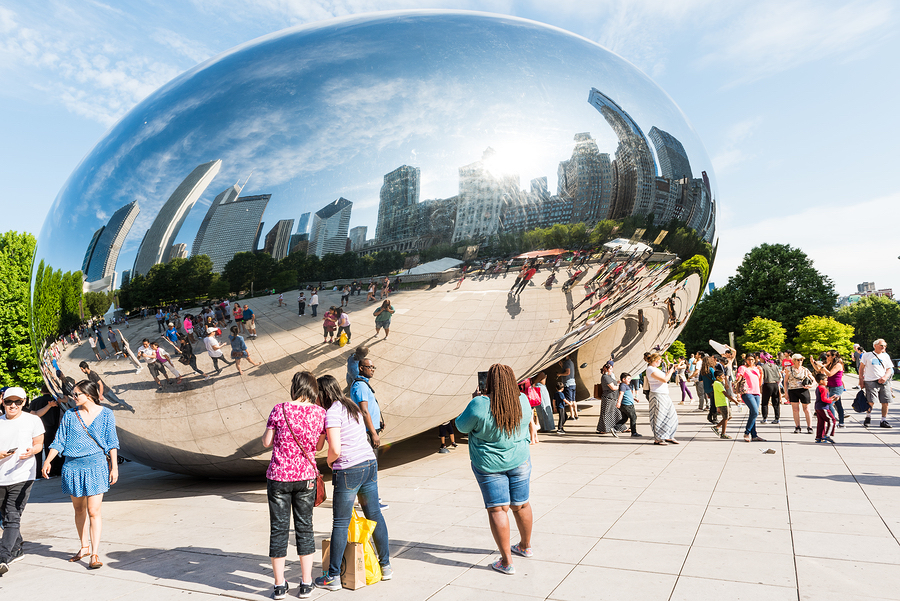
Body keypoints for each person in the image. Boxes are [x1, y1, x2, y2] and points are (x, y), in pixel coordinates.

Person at [455, 363, 533, 575]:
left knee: (498, 509)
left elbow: (461, 426)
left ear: (488, 381)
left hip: (489, 465)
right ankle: (525, 546)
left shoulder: (479, 404)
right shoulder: (523, 400)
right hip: (519, 460)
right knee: (522, 505)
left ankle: (506, 562)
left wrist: (475, 400)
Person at [315, 375, 392, 590]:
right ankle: (386, 567)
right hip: (369, 464)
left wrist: (330, 462)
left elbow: (334, 449)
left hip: (349, 469)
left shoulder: (331, 413)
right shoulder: (350, 406)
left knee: (340, 522)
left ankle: (332, 577)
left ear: (323, 394)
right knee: (374, 514)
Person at [42, 380, 119, 570]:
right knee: (78, 510)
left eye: (77, 394)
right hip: (72, 467)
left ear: (89, 394)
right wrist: (47, 460)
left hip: (96, 465)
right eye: (73, 394)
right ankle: (83, 546)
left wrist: (114, 467)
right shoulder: (70, 415)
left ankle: (94, 553)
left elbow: (112, 442)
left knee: (94, 511)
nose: (73, 397)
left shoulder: (106, 414)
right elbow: (59, 440)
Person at [262, 372, 326, 599]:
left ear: (295, 387)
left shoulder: (279, 409)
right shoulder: (320, 413)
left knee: (279, 530)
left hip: (279, 477)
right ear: (313, 389)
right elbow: (318, 447)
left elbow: (267, 442)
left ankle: (279, 585)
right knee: (305, 528)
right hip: (306, 478)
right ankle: (306, 583)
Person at [0, 387, 45, 575]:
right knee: (4, 516)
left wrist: (32, 452)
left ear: (24, 402)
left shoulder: (33, 420)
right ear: (3, 401)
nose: (13, 405)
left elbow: (38, 444)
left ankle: (3, 557)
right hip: (1, 476)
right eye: (9, 401)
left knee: (12, 515)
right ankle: (17, 548)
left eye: (17, 402)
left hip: (23, 475)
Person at [29, 385, 63, 477]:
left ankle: (37, 472)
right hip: (51, 428)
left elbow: (32, 415)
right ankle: (50, 471)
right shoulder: (55, 401)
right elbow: (58, 416)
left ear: (41, 392)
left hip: (37, 430)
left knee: (37, 451)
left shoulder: (35, 401)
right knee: (51, 450)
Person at [858, 339, 894, 428]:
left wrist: (885, 377)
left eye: (885, 346)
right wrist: (861, 380)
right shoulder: (867, 355)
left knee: (885, 401)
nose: (883, 347)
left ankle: (883, 420)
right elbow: (861, 368)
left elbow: (889, 369)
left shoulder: (886, 356)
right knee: (871, 401)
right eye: (881, 345)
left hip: (883, 381)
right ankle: (868, 417)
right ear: (875, 346)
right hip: (870, 380)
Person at [645, 353, 678, 445]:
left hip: (664, 394)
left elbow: (664, 377)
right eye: (659, 360)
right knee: (659, 416)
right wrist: (671, 371)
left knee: (671, 415)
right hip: (657, 394)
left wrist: (669, 371)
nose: (660, 362)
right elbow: (664, 380)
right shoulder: (650, 369)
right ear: (655, 361)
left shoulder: (655, 369)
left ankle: (669, 435)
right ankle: (659, 438)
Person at [735, 355, 765, 443]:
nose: (751, 361)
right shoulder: (743, 368)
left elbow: (760, 382)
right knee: (755, 412)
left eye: (752, 359)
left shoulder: (756, 369)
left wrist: (761, 372)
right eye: (749, 359)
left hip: (756, 393)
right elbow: (738, 377)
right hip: (747, 392)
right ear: (745, 360)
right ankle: (747, 432)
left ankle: (754, 435)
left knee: (753, 414)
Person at [812, 350, 845, 427]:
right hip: (830, 387)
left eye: (828, 355)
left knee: (829, 404)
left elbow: (830, 374)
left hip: (837, 387)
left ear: (833, 356)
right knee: (838, 404)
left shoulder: (838, 365)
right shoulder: (830, 364)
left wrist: (823, 366)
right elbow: (819, 370)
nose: (826, 357)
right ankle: (841, 423)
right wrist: (814, 363)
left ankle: (833, 422)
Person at [784, 354, 815, 434]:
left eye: (801, 360)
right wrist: (786, 393)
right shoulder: (789, 369)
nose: (800, 361)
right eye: (798, 360)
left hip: (803, 390)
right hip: (793, 390)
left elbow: (814, 380)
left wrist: (811, 385)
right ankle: (797, 426)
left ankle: (809, 426)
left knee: (807, 409)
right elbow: (785, 381)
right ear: (794, 361)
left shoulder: (805, 370)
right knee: (795, 409)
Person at [613, 372, 641, 437]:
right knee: (633, 417)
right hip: (627, 405)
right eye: (628, 379)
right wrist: (618, 402)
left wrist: (634, 398)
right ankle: (634, 432)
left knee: (625, 418)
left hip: (625, 405)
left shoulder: (625, 385)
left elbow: (627, 395)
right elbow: (621, 394)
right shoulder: (623, 385)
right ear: (623, 379)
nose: (629, 380)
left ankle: (615, 428)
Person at [710, 370, 735, 439]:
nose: (724, 377)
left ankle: (717, 427)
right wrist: (734, 401)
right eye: (722, 376)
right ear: (718, 377)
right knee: (725, 417)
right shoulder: (717, 383)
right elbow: (725, 393)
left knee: (729, 416)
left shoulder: (719, 383)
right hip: (722, 403)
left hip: (725, 402)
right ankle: (723, 433)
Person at [596, 362, 619, 436]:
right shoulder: (605, 377)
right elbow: (613, 387)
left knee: (614, 412)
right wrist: (619, 385)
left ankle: (619, 427)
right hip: (608, 397)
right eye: (610, 369)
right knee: (606, 413)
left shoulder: (609, 377)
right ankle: (604, 429)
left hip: (612, 397)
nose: (611, 370)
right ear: (606, 369)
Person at [813, 373, 838, 443]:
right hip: (823, 407)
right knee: (832, 420)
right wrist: (832, 400)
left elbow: (822, 398)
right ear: (821, 381)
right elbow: (824, 399)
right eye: (826, 380)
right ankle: (827, 435)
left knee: (821, 422)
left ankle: (819, 436)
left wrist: (830, 398)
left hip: (818, 407)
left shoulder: (818, 388)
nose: (827, 381)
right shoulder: (823, 389)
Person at [759, 353, 782, 424]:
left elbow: (762, 377)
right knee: (776, 402)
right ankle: (777, 418)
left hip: (767, 384)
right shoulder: (775, 366)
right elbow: (780, 376)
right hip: (775, 384)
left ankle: (765, 418)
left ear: (763, 358)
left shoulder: (763, 367)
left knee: (765, 402)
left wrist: (760, 386)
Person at [558, 355, 578, 420]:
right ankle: (576, 415)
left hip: (568, 384)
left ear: (567, 356)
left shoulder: (567, 363)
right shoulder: (571, 362)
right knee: (573, 400)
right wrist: (562, 366)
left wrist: (560, 374)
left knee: (569, 401)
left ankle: (572, 416)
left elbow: (567, 372)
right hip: (573, 383)